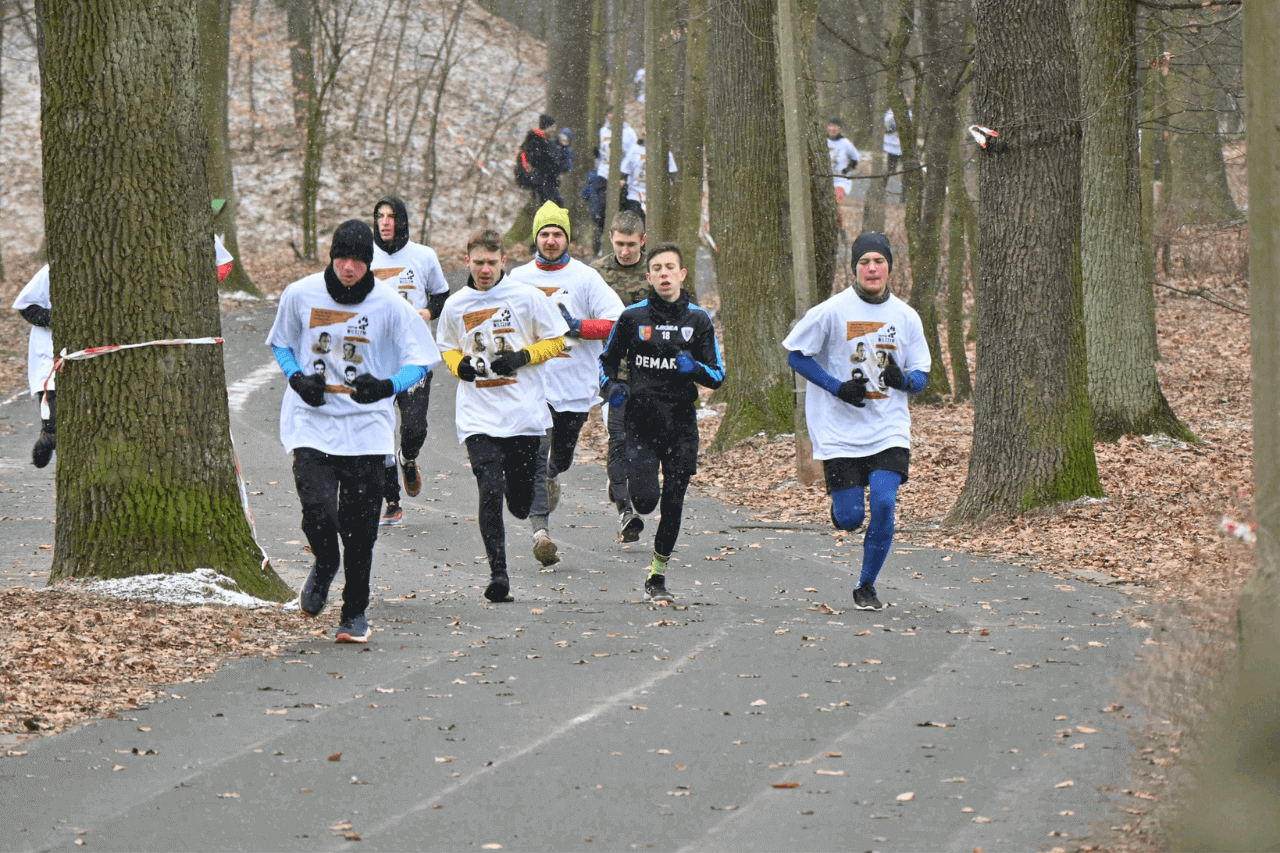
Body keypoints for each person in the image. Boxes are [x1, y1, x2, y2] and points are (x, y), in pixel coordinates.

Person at [267, 219, 440, 642]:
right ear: (331, 257)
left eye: (357, 261)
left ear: (368, 263)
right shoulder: (301, 294)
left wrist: (386, 386)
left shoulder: (389, 304)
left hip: (366, 430)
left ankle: (354, 613)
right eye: (341, 259)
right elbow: (280, 342)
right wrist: (295, 378)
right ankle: (325, 564)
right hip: (313, 423)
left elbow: (422, 359)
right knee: (318, 513)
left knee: (360, 530)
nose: (348, 268)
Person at [781, 232, 930, 612]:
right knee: (850, 519)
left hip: (888, 429)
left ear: (890, 267)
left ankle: (866, 586)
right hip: (839, 431)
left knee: (884, 502)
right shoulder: (831, 310)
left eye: (879, 261)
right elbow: (796, 355)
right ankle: (841, 511)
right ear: (855, 268)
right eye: (864, 262)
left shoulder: (906, 316)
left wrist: (905, 381)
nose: (872, 268)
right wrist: (836, 387)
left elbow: (922, 374)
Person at [436, 229, 568, 603]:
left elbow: (558, 339)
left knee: (519, 503)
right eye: (478, 262)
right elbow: (446, 346)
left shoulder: (526, 296)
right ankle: (499, 574)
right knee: (489, 491)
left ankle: (528, 492)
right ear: (467, 262)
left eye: (492, 262)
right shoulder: (456, 305)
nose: (485, 269)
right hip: (479, 417)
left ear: (503, 262)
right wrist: (458, 366)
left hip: (523, 415)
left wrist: (523, 357)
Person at [598, 242, 725, 601]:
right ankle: (629, 489)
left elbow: (717, 375)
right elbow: (608, 361)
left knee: (673, 502)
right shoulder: (633, 317)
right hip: (642, 424)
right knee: (646, 500)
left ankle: (657, 575)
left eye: (671, 267)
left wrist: (695, 368)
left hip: (682, 426)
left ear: (682, 274)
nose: (664, 274)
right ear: (649, 276)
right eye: (657, 268)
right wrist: (614, 388)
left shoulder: (698, 319)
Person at [507, 201, 625, 566]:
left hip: (574, 387)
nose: (551, 240)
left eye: (558, 234)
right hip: (533, 385)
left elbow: (618, 321)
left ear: (567, 238)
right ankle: (540, 532)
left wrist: (579, 327)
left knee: (561, 458)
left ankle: (553, 474)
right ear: (536, 238)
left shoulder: (585, 278)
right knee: (536, 459)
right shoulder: (517, 279)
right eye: (545, 233)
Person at [369, 196, 451, 524]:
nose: (385, 222)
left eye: (390, 216)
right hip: (375, 358)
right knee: (379, 429)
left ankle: (409, 456)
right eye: (380, 216)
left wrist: (428, 311)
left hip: (414, 355)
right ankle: (391, 499)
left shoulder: (423, 256)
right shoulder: (364, 257)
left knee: (414, 427)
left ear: (401, 221)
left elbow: (441, 295)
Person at [591, 210, 649, 542]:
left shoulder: (656, 271)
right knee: (618, 439)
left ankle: (624, 483)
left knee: (640, 445)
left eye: (631, 244)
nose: (625, 251)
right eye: (619, 243)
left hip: (652, 375)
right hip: (612, 375)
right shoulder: (596, 274)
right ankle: (626, 514)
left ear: (642, 240)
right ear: (610, 237)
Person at [12, 264, 55, 468]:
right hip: (49, 353)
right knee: (54, 425)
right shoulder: (51, 270)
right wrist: (55, 319)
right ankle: (47, 437)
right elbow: (26, 305)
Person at [584, 106, 638, 253]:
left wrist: (625, 176)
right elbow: (601, 152)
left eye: (615, 114)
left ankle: (620, 245)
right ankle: (601, 243)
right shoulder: (603, 131)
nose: (611, 117)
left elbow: (633, 156)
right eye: (609, 114)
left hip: (621, 176)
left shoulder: (629, 133)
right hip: (603, 174)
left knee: (620, 210)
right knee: (601, 208)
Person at [519, 114, 565, 206]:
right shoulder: (536, 142)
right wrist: (554, 169)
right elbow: (541, 162)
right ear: (546, 127)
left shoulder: (539, 140)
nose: (554, 129)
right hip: (540, 180)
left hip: (542, 180)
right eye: (552, 127)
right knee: (552, 204)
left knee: (554, 204)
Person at [826, 118, 860, 221]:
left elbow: (855, 159)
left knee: (834, 201)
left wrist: (847, 170)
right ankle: (838, 227)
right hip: (826, 179)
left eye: (835, 127)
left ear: (839, 129)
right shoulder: (822, 141)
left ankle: (839, 227)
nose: (832, 129)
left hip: (841, 182)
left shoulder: (845, 143)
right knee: (828, 205)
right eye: (830, 126)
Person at [619, 137, 648, 219]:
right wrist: (623, 179)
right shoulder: (634, 149)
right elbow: (624, 169)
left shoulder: (662, 150)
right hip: (634, 195)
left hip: (652, 198)